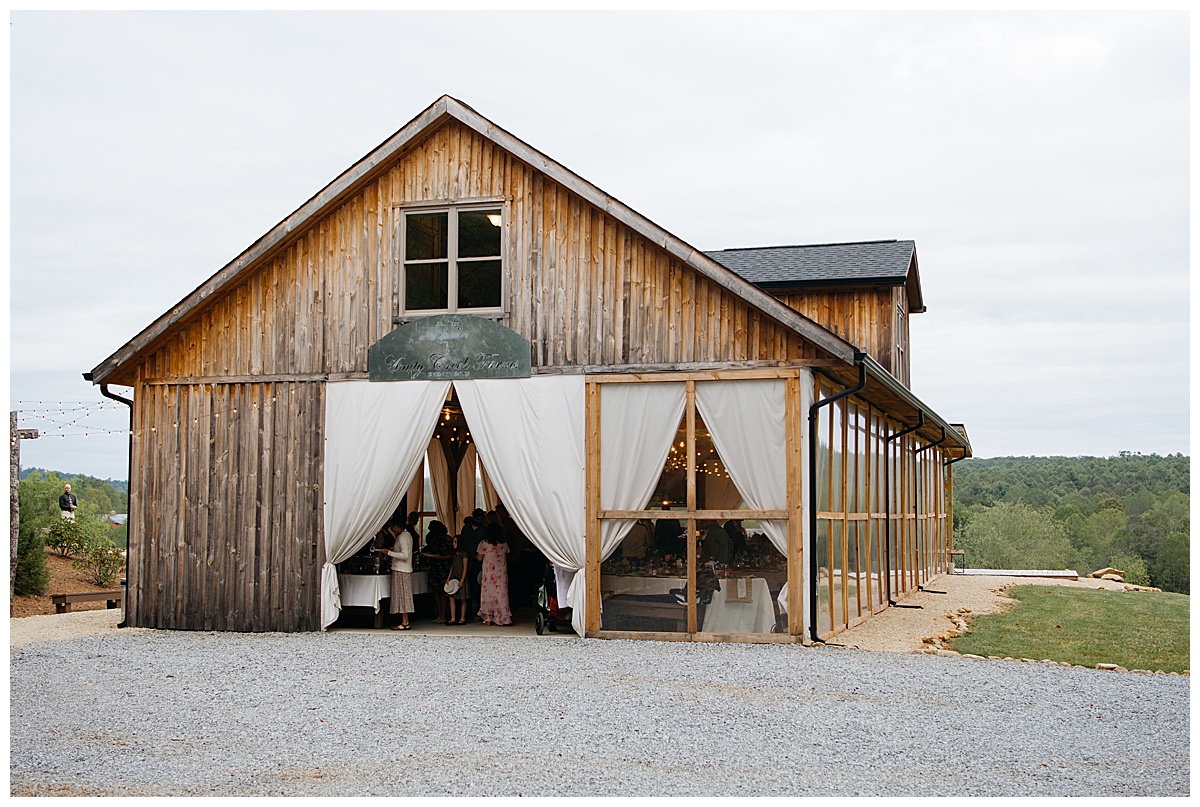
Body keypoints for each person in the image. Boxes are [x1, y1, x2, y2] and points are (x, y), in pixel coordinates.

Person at [477, 521, 512, 626]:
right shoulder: (504, 544)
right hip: (501, 573)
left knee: (487, 594)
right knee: (501, 594)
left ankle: (488, 617)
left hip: (488, 574)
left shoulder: (484, 543)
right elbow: (508, 553)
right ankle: (502, 617)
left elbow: (479, 558)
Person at [380, 522, 414, 630]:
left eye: (394, 527)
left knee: (403, 595)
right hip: (403, 568)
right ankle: (405, 621)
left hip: (401, 569)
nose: (393, 529)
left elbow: (405, 555)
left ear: (398, 526)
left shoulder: (403, 537)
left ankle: (405, 622)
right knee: (403, 595)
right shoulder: (406, 535)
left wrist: (389, 553)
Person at [421, 519, 454, 624]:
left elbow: (451, 555)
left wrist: (439, 557)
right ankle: (442, 614)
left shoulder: (433, 539)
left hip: (438, 566)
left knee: (438, 591)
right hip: (442, 567)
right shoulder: (447, 539)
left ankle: (441, 614)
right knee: (442, 591)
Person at [445, 534, 472, 625]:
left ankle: (462, 618)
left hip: (461, 577)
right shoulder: (454, 554)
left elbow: (465, 567)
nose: (453, 544)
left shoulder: (464, 554)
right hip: (454, 576)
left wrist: (462, 580)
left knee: (463, 598)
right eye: (453, 542)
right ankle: (453, 618)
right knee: (451, 597)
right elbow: (452, 567)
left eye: (455, 542)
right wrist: (448, 578)